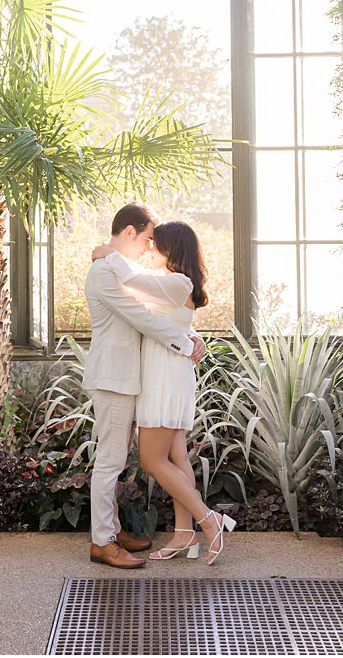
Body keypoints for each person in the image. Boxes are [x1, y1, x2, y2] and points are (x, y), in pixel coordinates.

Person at [97, 220, 236, 566]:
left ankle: (208, 520)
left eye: (156, 244)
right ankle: (184, 535)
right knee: (175, 455)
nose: (150, 249)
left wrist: (108, 254)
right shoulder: (172, 284)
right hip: (167, 372)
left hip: (166, 377)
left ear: (173, 248)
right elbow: (148, 306)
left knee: (151, 459)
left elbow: (132, 280)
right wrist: (191, 335)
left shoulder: (177, 282)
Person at [82, 202, 206, 569]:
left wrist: (191, 335)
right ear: (131, 232)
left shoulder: (120, 270)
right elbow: (139, 317)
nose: (150, 247)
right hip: (114, 378)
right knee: (110, 460)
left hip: (132, 378)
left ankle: (111, 530)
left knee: (117, 459)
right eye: (148, 238)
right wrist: (184, 344)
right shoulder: (104, 272)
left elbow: (158, 306)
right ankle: (102, 542)